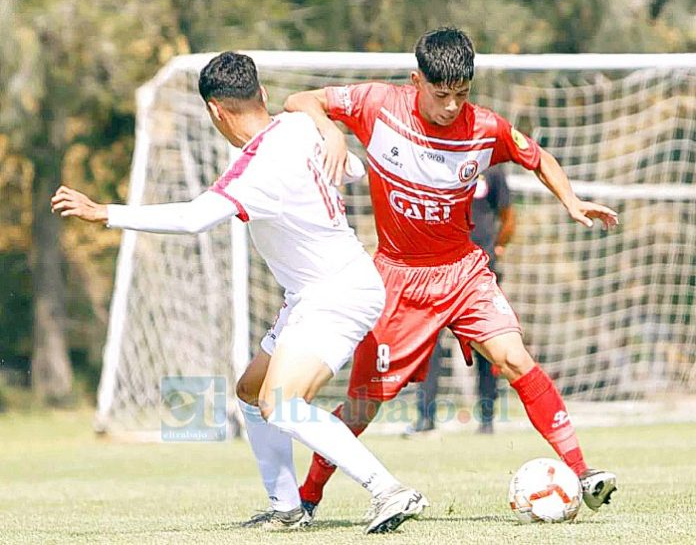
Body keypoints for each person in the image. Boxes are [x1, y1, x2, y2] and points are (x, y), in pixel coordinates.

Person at [50, 51, 428, 534]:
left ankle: (388, 490)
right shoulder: (299, 126)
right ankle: (287, 507)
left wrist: (106, 213)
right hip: (319, 289)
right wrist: (333, 133)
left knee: (282, 404)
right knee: (251, 392)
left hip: (335, 291)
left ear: (215, 111)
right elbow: (352, 167)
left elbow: (192, 219)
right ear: (262, 95)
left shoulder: (258, 167)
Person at [284, 27, 618, 520]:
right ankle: (307, 499)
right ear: (415, 80)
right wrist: (333, 129)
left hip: (462, 272)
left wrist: (570, 201)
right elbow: (299, 99)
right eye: (440, 95)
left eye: (461, 94)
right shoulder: (376, 105)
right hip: (396, 280)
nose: (450, 107)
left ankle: (583, 473)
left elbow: (538, 156)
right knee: (364, 405)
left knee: (514, 359)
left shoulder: (484, 128)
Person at [404, 165, 514, 437]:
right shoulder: (432, 163)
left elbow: (508, 215)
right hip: (436, 272)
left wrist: (498, 246)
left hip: (479, 272)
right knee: (429, 345)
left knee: (487, 346)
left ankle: (487, 419)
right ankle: (425, 418)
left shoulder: (492, 169)